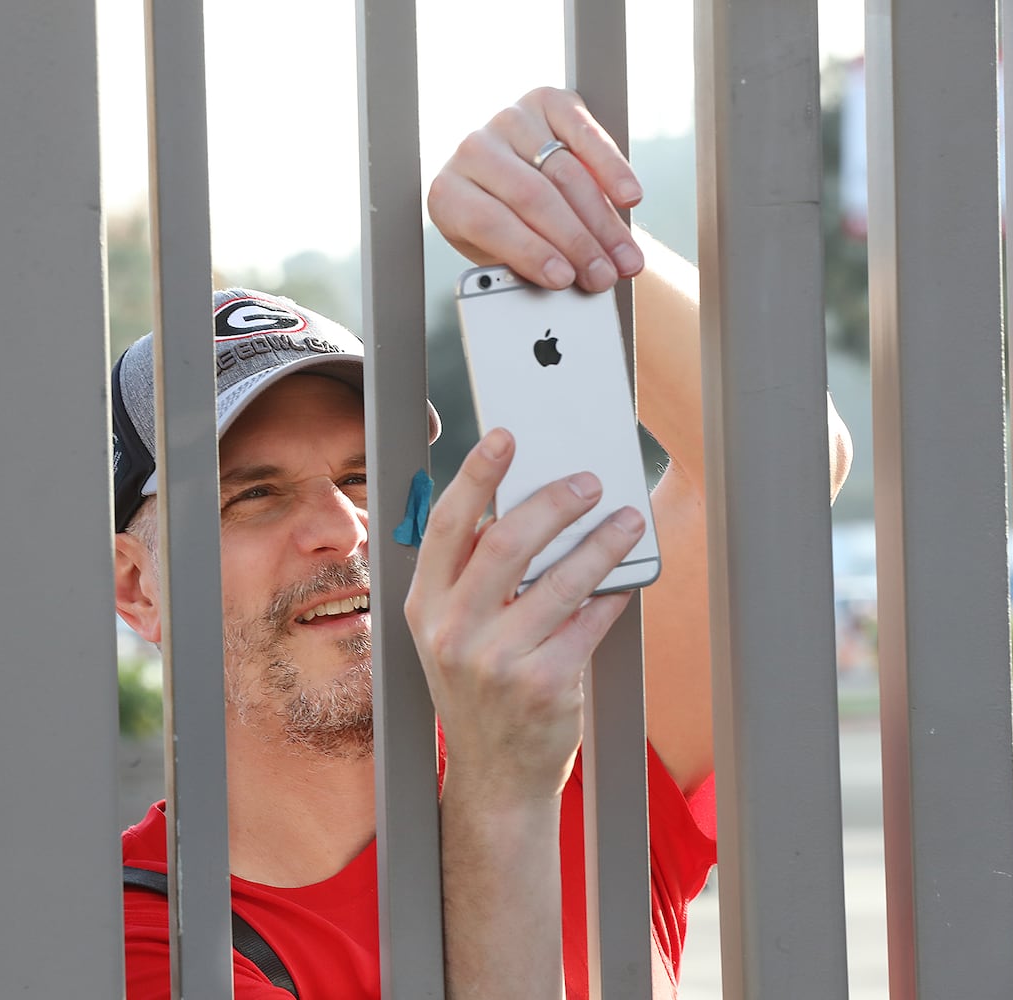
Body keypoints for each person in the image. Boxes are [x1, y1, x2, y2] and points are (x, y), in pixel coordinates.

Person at [114, 87, 852, 998]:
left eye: (363, 478)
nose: (339, 528)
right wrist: (502, 790)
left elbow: (781, 465)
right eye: (252, 496)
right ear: (137, 588)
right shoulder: (131, 939)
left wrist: (568, 238)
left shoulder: (572, 751)